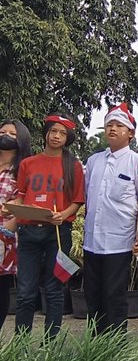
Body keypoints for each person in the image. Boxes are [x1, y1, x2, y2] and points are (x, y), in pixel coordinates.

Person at [83, 103, 138, 334]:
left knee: (114, 295)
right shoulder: (93, 161)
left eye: (119, 125)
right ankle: (95, 343)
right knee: (93, 293)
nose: (112, 129)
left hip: (119, 241)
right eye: (109, 125)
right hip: (92, 241)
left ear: (131, 133)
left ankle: (115, 345)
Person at [12, 114, 84, 338]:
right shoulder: (28, 163)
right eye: (53, 131)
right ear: (46, 134)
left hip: (58, 232)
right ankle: (20, 343)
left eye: (62, 133)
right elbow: (21, 196)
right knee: (25, 292)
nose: (57, 136)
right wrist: (11, 208)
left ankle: (51, 344)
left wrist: (63, 215)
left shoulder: (73, 166)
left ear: (68, 138)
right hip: (29, 232)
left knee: (54, 291)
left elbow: (78, 200)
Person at [0, 119, 32, 330]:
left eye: (12, 134)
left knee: (1, 286)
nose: (6, 136)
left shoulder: (24, 170)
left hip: (5, 236)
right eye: (2, 132)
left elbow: (29, 200)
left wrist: (9, 226)